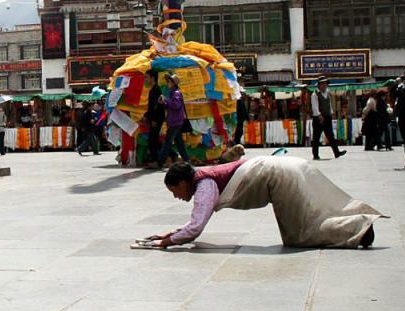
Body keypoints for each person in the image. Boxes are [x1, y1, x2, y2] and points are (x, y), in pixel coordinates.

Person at [135, 156, 383, 249]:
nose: (176, 196)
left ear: (183, 181)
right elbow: (193, 223)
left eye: (175, 190)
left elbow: (196, 228)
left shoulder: (204, 186)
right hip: (285, 167)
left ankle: (357, 229)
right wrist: (172, 233)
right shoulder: (204, 179)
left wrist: (165, 242)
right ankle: (355, 222)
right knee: (311, 216)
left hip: (279, 176)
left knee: (300, 234)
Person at [154, 73, 190, 168]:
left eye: (169, 81)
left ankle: (159, 163)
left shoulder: (176, 93)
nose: (167, 83)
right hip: (175, 121)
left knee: (167, 143)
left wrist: (166, 100)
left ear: (174, 83)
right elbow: (171, 106)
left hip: (175, 122)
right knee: (179, 144)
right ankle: (187, 161)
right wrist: (164, 102)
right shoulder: (172, 92)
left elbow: (176, 105)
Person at [310, 76, 346, 160]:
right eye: (322, 84)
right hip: (318, 118)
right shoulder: (314, 94)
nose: (324, 86)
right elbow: (314, 106)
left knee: (330, 136)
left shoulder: (327, 93)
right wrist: (319, 115)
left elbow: (329, 104)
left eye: (325, 84)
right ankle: (315, 155)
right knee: (316, 137)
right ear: (319, 85)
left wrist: (332, 113)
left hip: (327, 117)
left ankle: (337, 153)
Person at [144, 71, 166, 165]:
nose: (145, 79)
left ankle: (156, 160)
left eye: (147, 77)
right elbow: (151, 106)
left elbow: (157, 107)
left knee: (153, 141)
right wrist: (146, 115)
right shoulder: (153, 89)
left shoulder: (156, 90)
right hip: (154, 118)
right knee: (154, 140)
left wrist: (154, 119)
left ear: (152, 78)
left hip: (156, 119)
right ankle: (163, 158)